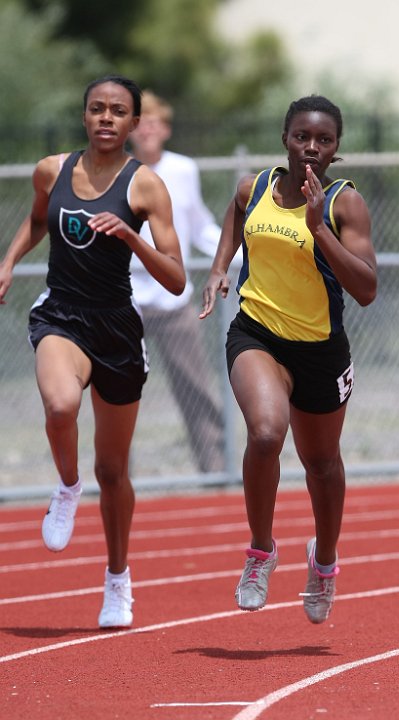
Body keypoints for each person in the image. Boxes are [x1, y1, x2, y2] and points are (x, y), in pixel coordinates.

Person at [0, 75, 186, 629]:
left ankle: (117, 579)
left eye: (118, 111)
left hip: (118, 329)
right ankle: (65, 485)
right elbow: (38, 219)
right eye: (97, 109)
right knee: (60, 406)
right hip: (61, 313)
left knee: (113, 469)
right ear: (84, 117)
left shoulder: (146, 186)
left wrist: (131, 237)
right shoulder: (51, 170)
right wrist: (9, 261)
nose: (106, 118)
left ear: (133, 124)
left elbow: (176, 279)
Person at [200, 95, 377, 624]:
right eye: (303, 136)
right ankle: (261, 551)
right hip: (259, 333)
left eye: (324, 140)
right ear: (285, 138)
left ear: (335, 150)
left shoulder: (346, 203)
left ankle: (323, 561)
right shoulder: (253, 188)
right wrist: (217, 269)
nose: (312, 148)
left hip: (321, 349)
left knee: (321, 464)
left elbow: (367, 289)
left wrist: (320, 227)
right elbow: (236, 217)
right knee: (265, 433)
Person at [128, 91, 224, 473]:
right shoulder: (118, 170)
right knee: (119, 392)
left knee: (196, 386)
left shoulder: (183, 170)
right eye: (140, 122)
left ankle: (217, 468)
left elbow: (200, 226)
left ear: (165, 129)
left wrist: (240, 253)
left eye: (154, 122)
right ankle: (119, 475)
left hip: (173, 296)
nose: (147, 129)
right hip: (127, 297)